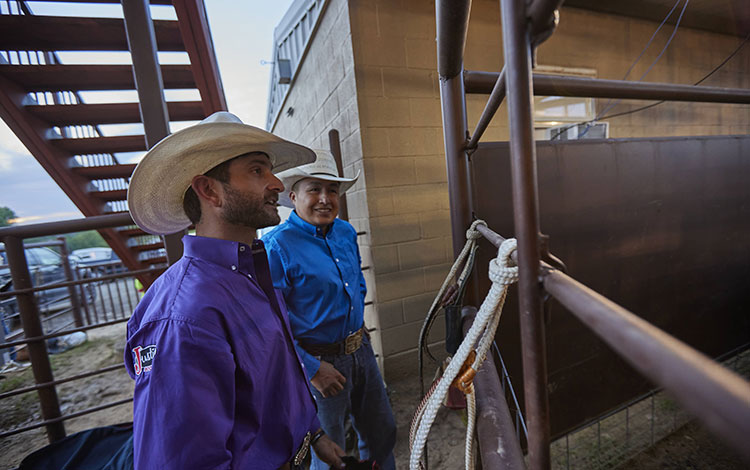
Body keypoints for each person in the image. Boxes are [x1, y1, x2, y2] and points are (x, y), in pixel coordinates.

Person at [123, 112, 345, 470]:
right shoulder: (183, 316)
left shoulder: (247, 272)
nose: (275, 182)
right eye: (258, 170)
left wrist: (313, 434)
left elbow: (272, 379)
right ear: (209, 189)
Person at [262, 149, 397, 470]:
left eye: (332, 190)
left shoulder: (346, 232)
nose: (325, 198)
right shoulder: (276, 246)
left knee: (382, 432)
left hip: (360, 348)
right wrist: (311, 369)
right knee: (330, 450)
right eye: (314, 190)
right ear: (293, 196)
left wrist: (360, 333)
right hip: (318, 361)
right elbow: (271, 320)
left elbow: (357, 284)